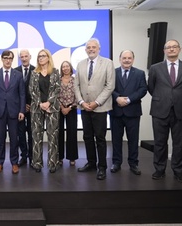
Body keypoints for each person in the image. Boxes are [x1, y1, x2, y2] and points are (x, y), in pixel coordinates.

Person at [148, 39, 182, 184]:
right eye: (168, 47)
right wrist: (164, 99)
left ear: (179, 49)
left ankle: (178, 171)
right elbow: (151, 88)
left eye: (174, 47)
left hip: (181, 109)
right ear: (164, 51)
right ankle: (159, 169)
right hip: (160, 109)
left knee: (179, 143)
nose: (171, 49)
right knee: (160, 142)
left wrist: (179, 99)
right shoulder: (155, 68)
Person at [74, 38, 115, 180]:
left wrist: (96, 102)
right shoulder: (80, 64)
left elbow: (110, 86)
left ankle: (102, 166)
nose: (91, 49)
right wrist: (81, 101)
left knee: (100, 138)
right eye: (88, 47)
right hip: (84, 107)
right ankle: (91, 163)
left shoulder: (108, 63)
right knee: (87, 137)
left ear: (99, 48)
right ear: (85, 49)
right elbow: (76, 85)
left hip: (100, 108)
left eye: (93, 47)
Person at [110, 50, 147, 175]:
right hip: (116, 112)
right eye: (124, 58)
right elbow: (108, 87)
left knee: (133, 140)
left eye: (129, 58)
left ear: (133, 59)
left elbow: (143, 89)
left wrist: (129, 99)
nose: (126, 60)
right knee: (116, 140)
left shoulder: (140, 73)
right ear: (120, 59)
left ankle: (133, 164)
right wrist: (117, 97)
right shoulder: (112, 73)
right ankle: (116, 163)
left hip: (133, 111)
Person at [0, 50, 25, 174]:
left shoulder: (18, 75)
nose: (8, 60)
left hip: (14, 111)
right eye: (5, 58)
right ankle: (0, 162)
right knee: (1, 138)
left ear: (12, 59)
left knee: (14, 138)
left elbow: (22, 94)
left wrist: (22, 110)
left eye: (10, 58)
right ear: (2, 59)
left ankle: (14, 162)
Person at [29, 49, 61, 173]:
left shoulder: (55, 72)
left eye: (43, 56)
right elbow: (32, 90)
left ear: (48, 57)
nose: (41, 58)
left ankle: (53, 163)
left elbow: (57, 89)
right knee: (36, 136)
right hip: (37, 108)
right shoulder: (34, 73)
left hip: (52, 108)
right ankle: (37, 163)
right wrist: (40, 104)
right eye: (39, 56)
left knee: (53, 137)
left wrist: (48, 103)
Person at [15, 49, 35, 167]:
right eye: (21, 57)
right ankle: (23, 156)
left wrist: (31, 104)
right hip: (19, 108)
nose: (24, 58)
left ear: (30, 56)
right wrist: (22, 106)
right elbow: (13, 91)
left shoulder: (36, 70)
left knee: (32, 133)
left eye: (25, 56)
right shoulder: (15, 71)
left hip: (33, 108)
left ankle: (32, 157)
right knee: (21, 133)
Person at [58, 61, 78, 167]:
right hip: (59, 109)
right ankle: (59, 157)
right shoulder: (58, 80)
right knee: (59, 133)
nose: (65, 68)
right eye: (63, 67)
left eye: (67, 66)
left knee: (72, 133)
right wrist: (62, 107)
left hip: (72, 109)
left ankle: (72, 158)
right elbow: (54, 94)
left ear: (71, 68)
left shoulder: (75, 80)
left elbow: (78, 95)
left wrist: (69, 108)